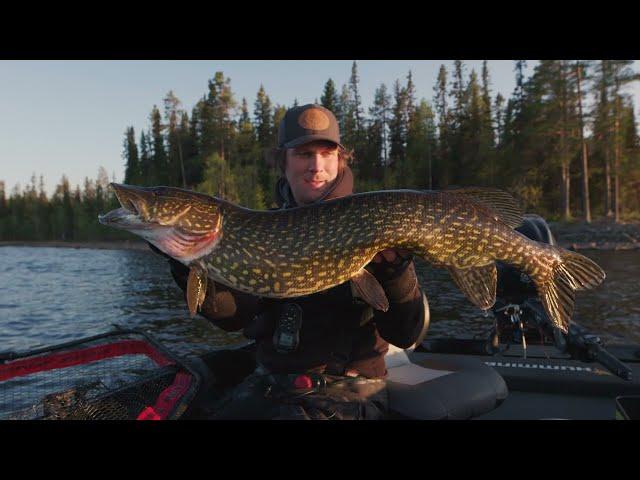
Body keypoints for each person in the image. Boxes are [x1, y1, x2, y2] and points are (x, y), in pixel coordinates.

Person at [152, 104, 429, 419]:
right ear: (282, 161)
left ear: (341, 160)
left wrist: (396, 274)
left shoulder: (373, 220)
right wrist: (185, 260)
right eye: (303, 154)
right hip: (271, 386)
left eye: (326, 153)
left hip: (348, 394)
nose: (316, 166)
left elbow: (406, 335)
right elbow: (234, 316)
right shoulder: (265, 231)